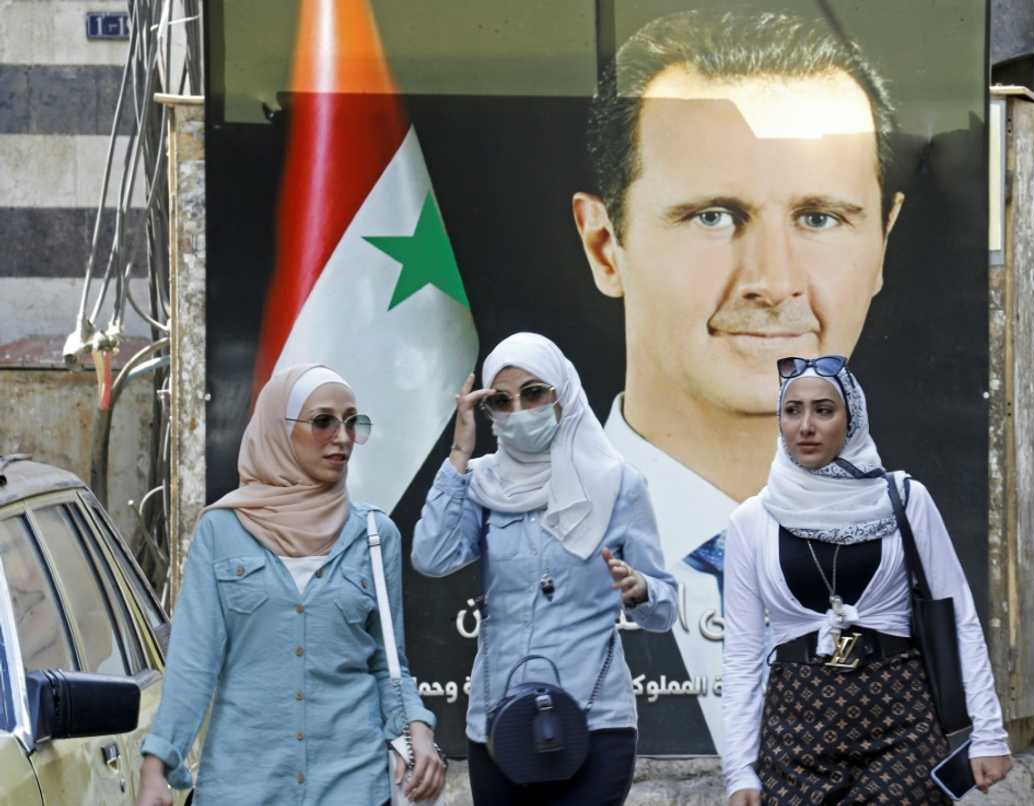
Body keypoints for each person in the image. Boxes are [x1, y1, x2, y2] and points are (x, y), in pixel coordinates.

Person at [571, 8, 907, 753]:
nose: (773, 281)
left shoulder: (916, 548)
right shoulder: (483, 554)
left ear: (881, 245)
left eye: (819, 218)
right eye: (715, 215)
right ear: (605, 246)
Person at [136, 365, 445, 806]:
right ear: (278, 429)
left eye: (351, 422)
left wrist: (417, 725)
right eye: (322, 421)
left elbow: (387, 665)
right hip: (244, 787)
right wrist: (157, 765)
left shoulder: (376, 535)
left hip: (353, 786)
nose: (342, 437)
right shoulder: (221, 532)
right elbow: (193, 664)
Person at [721, 356, 1011, 804]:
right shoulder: (752, 521)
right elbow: (741, 655)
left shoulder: (905, 499)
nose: (806, 426)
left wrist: (989, 734)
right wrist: (739, 771)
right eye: (792, 410)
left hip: (901, 716)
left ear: (851, 417)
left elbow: (960, 619)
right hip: (797, 723)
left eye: (824, 409)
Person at [411, 332, 678, 805]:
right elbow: (432, 557)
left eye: (534, 393)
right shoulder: (481, 482)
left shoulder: (617, 484)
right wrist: (459, 454)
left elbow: (663, 612)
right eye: (502, 400)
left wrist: (639, 591)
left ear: (563, 393)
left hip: (595, 722)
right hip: (499, 722)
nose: (519, 411)